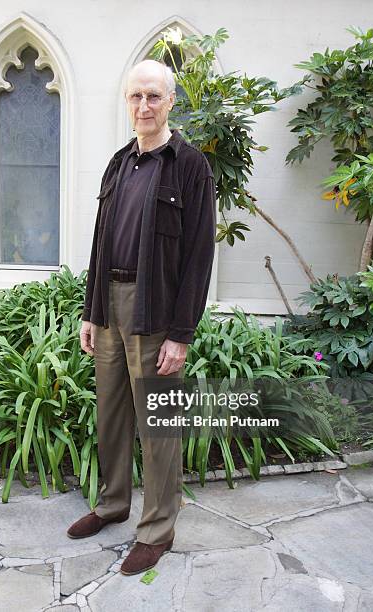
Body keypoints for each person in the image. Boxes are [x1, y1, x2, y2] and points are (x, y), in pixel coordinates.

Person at [67, 59, 216, 575]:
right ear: (127, 103)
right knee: (110, 413)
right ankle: (112, 504)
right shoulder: (117, 164)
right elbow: (100, 242)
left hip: (155, 311)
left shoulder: (190, 165)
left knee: (158, 425)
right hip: (109, 302)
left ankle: (157, 529)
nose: (144, 106)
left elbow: (199, 255)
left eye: (154, 96)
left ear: (171, 101)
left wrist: (181, 334)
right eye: (135, 97)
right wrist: (90, 310)